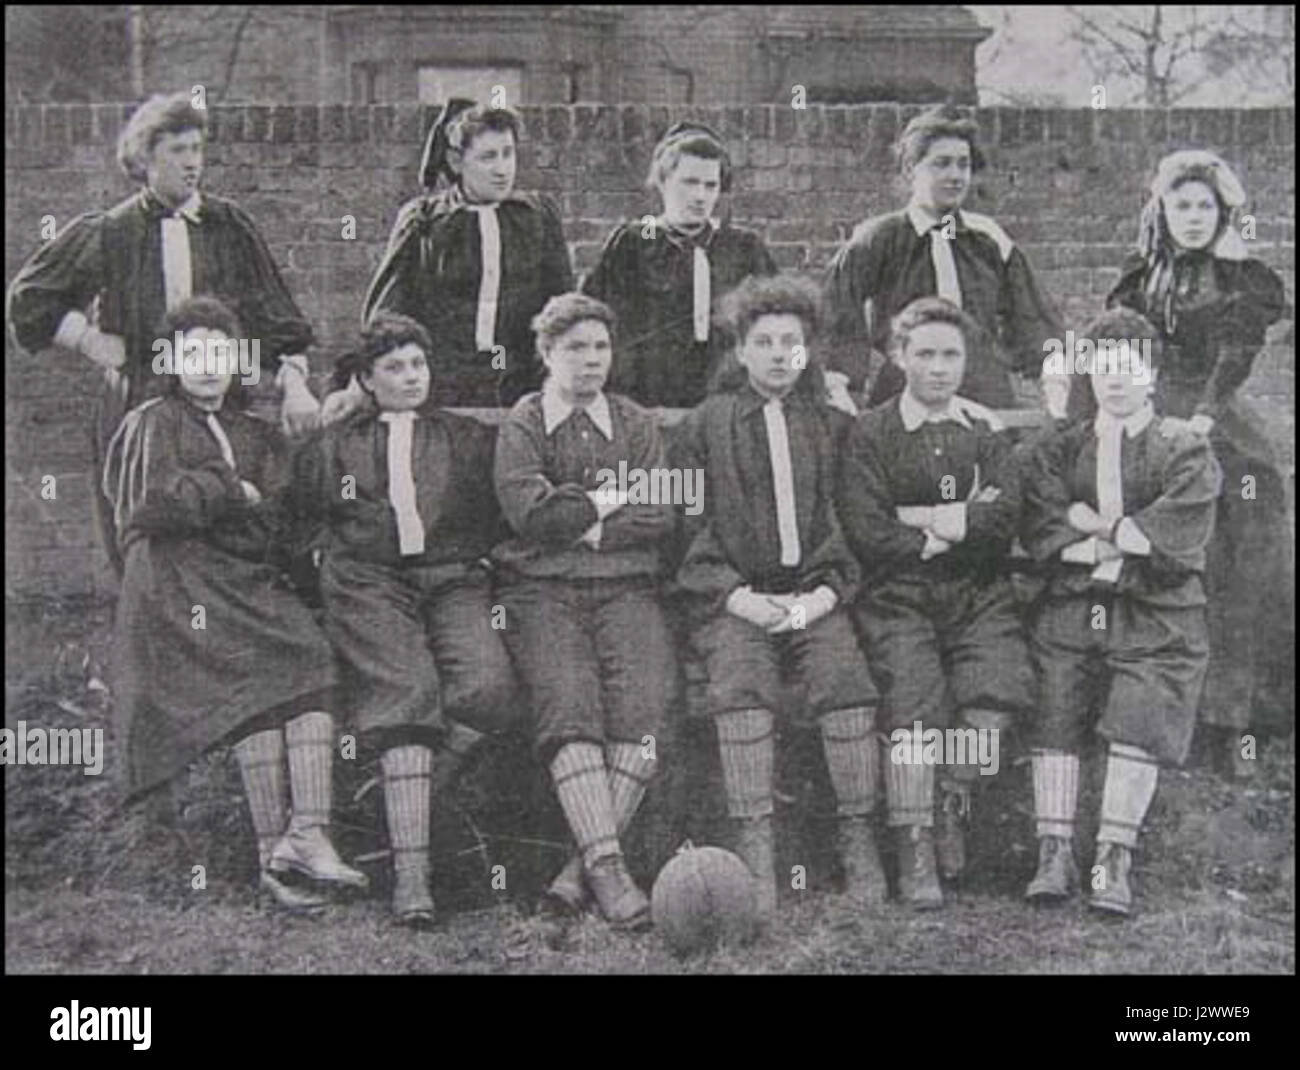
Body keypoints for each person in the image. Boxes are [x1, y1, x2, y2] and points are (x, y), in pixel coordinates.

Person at [103, 296, 362, 913]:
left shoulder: (253, 430)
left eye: (221, 353)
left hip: (242, 578)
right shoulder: (152, 420)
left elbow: (276, 513)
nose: (208, 366)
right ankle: (277, 861)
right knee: (253, 687)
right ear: (169, 360)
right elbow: (151, 506)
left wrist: (241, 503)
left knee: (310, 660)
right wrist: (228, 489)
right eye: (192, 353)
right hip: (177, 584)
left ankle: (305, 837)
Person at [7, 91, 321, 573]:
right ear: (144, 157)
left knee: (223, 515)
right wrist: (90, 340)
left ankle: (213, 628)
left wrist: (295, 383)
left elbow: (278, 317)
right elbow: (29, 300)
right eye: (177, 151)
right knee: (139, 522)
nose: (192, 163)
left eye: (197, 149)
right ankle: (147, 624)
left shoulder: (229, 227)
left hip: (222, 398)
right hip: (138, 397)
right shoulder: (111, 230)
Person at [289, 312, 520, 928]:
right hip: (368, 582)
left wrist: (480, 562)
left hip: (452, 577)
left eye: (418, 363)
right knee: (409, 692)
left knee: (488, 687)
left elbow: (498, 516)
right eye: (394, 367)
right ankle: (412, 883)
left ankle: (401, 800)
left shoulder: (466, 438)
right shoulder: (333, 443)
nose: (411, 376)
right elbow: (300, 520)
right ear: (367, 378)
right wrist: (324, 564)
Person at [671, 273, 884, 920]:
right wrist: (735, 597)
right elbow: (687, 530)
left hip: (814, 594)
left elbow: (848, 526)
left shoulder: (833, 426)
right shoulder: (703, 427)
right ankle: (755, 848)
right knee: (739, 681)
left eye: (791, 342)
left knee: (843, 677)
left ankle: (859, 839)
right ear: (739, 351)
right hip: (734, 598)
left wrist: (822, 596)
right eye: (763, 341)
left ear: (809, 351)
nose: (777, 354)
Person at [1020, 309, 1221, 915]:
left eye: (1129, 367)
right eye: (1103, 367)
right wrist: (1109, 535)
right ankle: (1054, 850)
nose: (1115, 380)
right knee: (1056, 694)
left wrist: (1099, 524)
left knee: (1142, 702)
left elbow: (1168, 539)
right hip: (1079, 600)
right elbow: (1045, 520)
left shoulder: (1183, 445)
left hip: (1155, 605)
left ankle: (1114, 857)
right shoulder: (1064, 446)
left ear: (1152, 373)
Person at [837, 297, 1035, 909]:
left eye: (951, 355)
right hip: (898, 597)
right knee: (914, 701)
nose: (939, 368)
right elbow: (870, 531)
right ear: (899, 357)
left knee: (998, 689)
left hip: (979, 593)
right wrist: (961, 520)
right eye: (925, 354)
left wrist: (924, 520)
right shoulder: (870, 431)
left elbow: (1004, 518)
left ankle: (952, 793)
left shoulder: (983, 428)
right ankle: (914, 843)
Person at [1101, 150, 1291, 778]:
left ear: (1222, 213)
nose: (1192, 216)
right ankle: (1160, 721)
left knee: (1242, 576)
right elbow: (1116, 348)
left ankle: (1235, 726)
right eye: (1180, 204)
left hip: (1226, 436)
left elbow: (1235, 353)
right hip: (1156, 431)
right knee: (1169, 574)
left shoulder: (1244, 280)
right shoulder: (1139, 277)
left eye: (1204, 205)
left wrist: (1204, 418)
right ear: (1162, 210)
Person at [493, 293, 678, 931]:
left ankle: (577, 871)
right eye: (576, 348)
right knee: (569, 705)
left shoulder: (634, 422)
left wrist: (584, 519)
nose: (592, 360)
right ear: (547, 354)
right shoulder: (524, 422)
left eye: (601, 347)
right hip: (541, 591)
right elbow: (533, 518)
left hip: (627, 588)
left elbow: (661, 513)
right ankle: (606, 867)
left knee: (647, 707)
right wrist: (607, 501)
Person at [327, 99, 573, 414]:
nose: (502, 169)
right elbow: (389, 313)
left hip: (522, 387)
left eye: (508, 154)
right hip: (441, 389)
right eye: (487, 157)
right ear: (457, 162)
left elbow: (560, 307)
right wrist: (356, 386)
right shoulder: (425, 221)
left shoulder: (537, 216)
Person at [823, 104, 1063, 413]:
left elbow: (1033, 317)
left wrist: (1054, 384)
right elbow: (837, 313)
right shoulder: (879, 238)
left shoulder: (988, 237)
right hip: (905, 394)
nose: (955, 176)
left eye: (963, 165)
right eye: (941, 164)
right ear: (911, 169)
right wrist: (840, 386)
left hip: (983, 395)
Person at [581, 121, 794, 409]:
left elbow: (782, 323)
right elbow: (593, 321)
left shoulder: (744, 248)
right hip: (647, 405)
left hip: (725, 407)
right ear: (664, 181)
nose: (700, 196)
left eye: (710, 186)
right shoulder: (633, 243)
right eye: (690, 183)